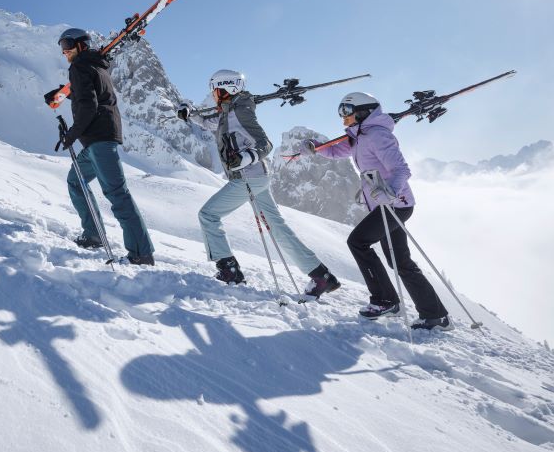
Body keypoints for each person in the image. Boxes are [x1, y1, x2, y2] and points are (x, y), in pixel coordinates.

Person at [178, 70, 339, 297]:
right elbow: (209, 123)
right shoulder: (229, 112)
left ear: (226, 88)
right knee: (278, 227)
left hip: (248, 177)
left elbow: (265, 144)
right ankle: (321, 276)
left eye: (215, 90)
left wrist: (246, 157)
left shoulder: (240, 112)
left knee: (208, 215)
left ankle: (229, 270)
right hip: (257, 178)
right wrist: (189, 111)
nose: (213, 95)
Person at [302, 92, 451, 330]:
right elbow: (336, 152)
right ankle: (435, 315)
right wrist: (316, 149)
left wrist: (390, 192)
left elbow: (401, 169)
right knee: (399, 261)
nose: (343, 119)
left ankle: (385, 300)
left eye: (346, 113)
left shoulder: (377, 136)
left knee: (358, 242)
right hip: (385, 205)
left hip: (395, 204)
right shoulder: (360, 136)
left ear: (363, 111)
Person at [45, 28, 156, 265]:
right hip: (98, 139)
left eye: (68, 44)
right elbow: (89, 95)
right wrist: (63, 93)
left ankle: (141, 253)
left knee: (117, 193)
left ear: (82, 44)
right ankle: (93, 234)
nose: (64, 51)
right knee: (76, 182)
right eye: (61, 46)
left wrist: (72, 134)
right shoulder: (96, 65)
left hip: (99, 139)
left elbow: (89, 105)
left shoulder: (79, 67)